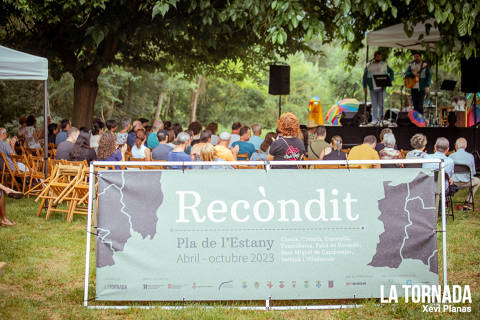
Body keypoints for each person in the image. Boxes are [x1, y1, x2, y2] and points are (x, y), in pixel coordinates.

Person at [362, 51, 394, 124]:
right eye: (378, 56)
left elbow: (391, 72)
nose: (379, 58)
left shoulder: (384, 64)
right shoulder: (368, 65)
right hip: (372, 87)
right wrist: (364, 86)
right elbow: (364, 77)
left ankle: (381, 120)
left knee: (381, 104)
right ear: (375, 56)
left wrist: (390, 79)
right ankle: (374, 120)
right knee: (374, 104)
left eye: (380, 56)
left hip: (382, 87)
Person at [449, 137, 479, 209]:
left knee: (445, 180)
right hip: (466, 182)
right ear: (465, 146)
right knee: (478, 181)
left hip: (453, 183)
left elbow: (448, 171)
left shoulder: (451, 156)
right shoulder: (471, 156)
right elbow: (473, 172)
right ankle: (468, 201)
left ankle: (447, 201)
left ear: (456, 146)